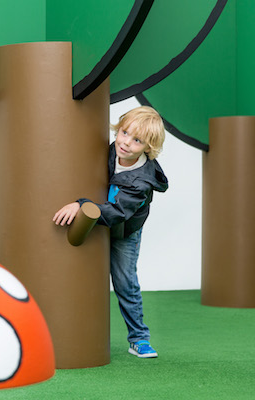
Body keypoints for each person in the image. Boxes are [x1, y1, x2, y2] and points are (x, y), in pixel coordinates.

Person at [53, 106, 168, 358]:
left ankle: (138, 338)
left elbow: (117, 211)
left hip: (124, 231)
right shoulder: (109, 150)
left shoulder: (142, 181)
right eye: (125, 132)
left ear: (148, 148)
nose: (126, 143)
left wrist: (82, 205)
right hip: (98, 218)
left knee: (125, 282)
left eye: (137, 140)